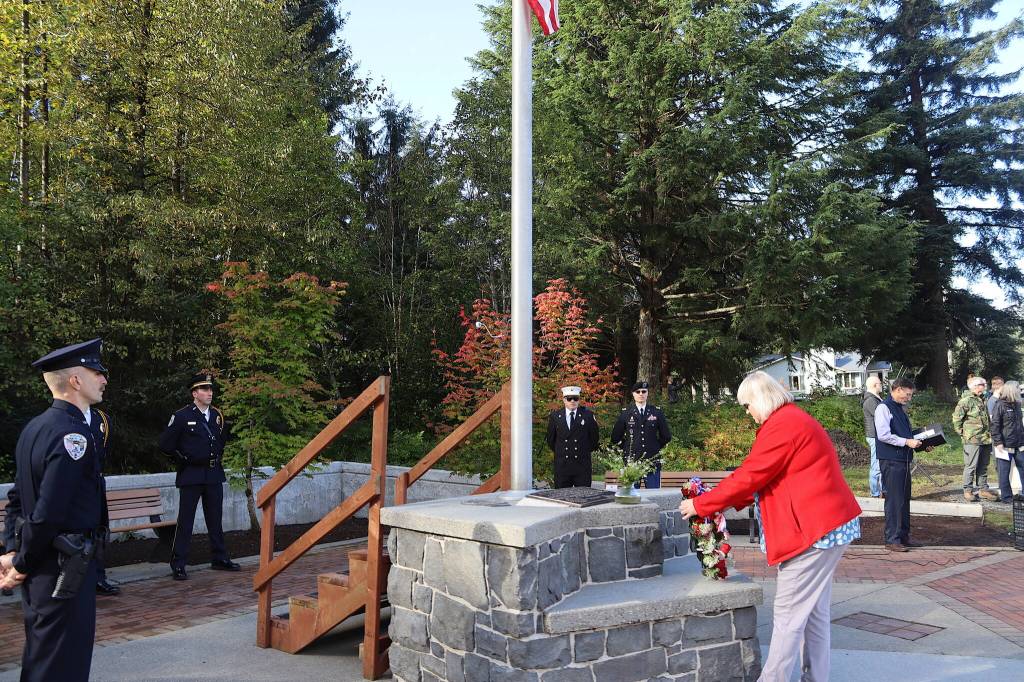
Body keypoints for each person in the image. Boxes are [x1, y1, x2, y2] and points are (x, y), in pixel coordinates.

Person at [679, 371, 861, 682]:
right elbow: (762, 477)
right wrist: (714, 498)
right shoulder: (790, 421)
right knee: (813, 614)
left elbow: (751, 475)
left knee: (789, 615)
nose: (746, 412)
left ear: (760, 399)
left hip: (813, 533)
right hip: (826, 528)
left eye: (746, 405)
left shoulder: (783, 426)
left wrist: (700, 505)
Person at [1, 339, 109, 681]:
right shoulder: (72, 435)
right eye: (96, 372)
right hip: (62, 568)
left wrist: (11, 548)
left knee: (44, 657)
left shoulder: (35, 427)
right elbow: (49, 511)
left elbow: (17, 498)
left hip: (44, 567)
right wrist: (20, 564)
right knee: (63, 664)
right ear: (75, 380)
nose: (104, 379)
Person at [158, 373, 239, 580]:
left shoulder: (217, 415)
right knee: (186, 521)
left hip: (213, 473)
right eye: (204, 389)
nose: (209, 393)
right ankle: (178, 563)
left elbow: (221, 441)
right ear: (195, 393)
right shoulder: (182, 416)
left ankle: (219, 558)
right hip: (191, 474)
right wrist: (183, 458)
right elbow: (166, 444)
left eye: (210, 389)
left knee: (215, 519)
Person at [874, 377, 924, 551]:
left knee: (904, 499)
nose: (909, 398)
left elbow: (905, 434)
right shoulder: (883, 407)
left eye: (911, 395)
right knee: (894, 500)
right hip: (891, 460)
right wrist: (907, 442)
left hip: (902, 459)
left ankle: (903, 536)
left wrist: (922, 444)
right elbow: (883, 435)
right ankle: (892, 539)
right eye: (907, 394)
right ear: (898, 389)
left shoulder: (899, 409)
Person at [610, 380, 671, 488]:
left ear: (647, 393)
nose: (641, 394)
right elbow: (615, 437)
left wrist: (655, 446)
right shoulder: (626, 413)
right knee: (631, 498)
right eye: (638, 392)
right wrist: (627, 447)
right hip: (632, 462)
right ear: (633, 394)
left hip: (652, 461)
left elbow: (666, 436)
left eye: (644, 391)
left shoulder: (656, 412)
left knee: (654, 497)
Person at [90, 407, 120, 595]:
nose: (103, 383)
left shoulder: (102, 418)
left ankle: (99, 577)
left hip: (97, 481)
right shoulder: (65, 417)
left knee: (100, 529)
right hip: (74, 483)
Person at [545, 386, 600, 488]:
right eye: (569, 398)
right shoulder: (555, 417)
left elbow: (594, 439)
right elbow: (551, 440)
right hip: (562, 466)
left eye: (575, 398)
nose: (572, 401)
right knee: (562, 499)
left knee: (583, 497)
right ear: (564, 400)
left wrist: (582, 451)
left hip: (582, 465)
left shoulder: (588, 415)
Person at [952, 376, 997, 502]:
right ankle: (968, 491)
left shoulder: (983, 399)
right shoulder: (966, 401)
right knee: (970, 466)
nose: (985, 386)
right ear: (975, 386)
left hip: (985, 439)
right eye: (983, 384)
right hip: (972, 440)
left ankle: (983, 490)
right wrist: (964, 434)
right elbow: (956, 419)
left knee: (983, 466)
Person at [990, 381, 1024, 503]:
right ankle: (1007, 497)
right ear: (1012, 390)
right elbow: (994, 426)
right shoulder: (999, 405)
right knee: (1004, 473)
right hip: (1004, 446)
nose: (1020, 391)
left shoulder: (1017, 404)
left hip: (1020, 445)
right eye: (1018, 389)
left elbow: (1020, 425)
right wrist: (998, 442)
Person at [862, 376, 885, 499]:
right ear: (875, 385)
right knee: (876, 465)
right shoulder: (871, 400)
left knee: (879, 464)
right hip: (874, 435)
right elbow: (881, 416)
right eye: (880, 383)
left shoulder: (875, 398)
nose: (881, 385)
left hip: (878, 435)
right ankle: (875, 493)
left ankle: (881, 492)